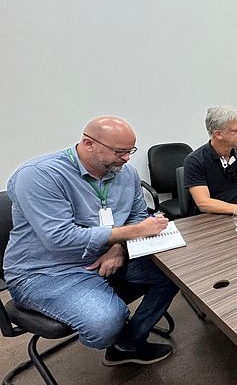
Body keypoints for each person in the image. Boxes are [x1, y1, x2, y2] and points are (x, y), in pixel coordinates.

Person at [4, 116, 179, 365]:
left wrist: (119, 248)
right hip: (47, 272)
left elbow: (136, 217)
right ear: (88, 144)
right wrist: (129, 234)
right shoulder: (39, 176)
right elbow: (60, 238)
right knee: (105, 323)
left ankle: (128, 344)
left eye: (131, 151)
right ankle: (115, 328)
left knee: (174, 273)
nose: (127, 158)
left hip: (106, 254)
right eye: (120, 152)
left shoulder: (124, 172)